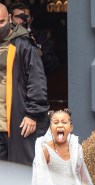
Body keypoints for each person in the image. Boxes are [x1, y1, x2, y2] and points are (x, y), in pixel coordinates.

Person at [0, 3, 49, 165]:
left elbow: (36, 80)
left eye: (1, 22)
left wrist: (32, 114)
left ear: (9, 19)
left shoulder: (22, 44)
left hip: (18, 123)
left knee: (19, 177)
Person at [32, 109, 95, 185]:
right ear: (50, 127)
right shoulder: (45, 150)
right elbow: (39, 180)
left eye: (64, 122)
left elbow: (83, 178)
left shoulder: (76, 148)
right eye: (56, 122)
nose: (60, 125)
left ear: (71, 127)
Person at [9, 1, 59, 74]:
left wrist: (41, 54)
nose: (22, 20)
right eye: (17, 16)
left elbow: (53, 65)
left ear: (31, 19)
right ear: (10, 18)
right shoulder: (4, 37)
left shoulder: (40, 38)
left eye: (26, 16)